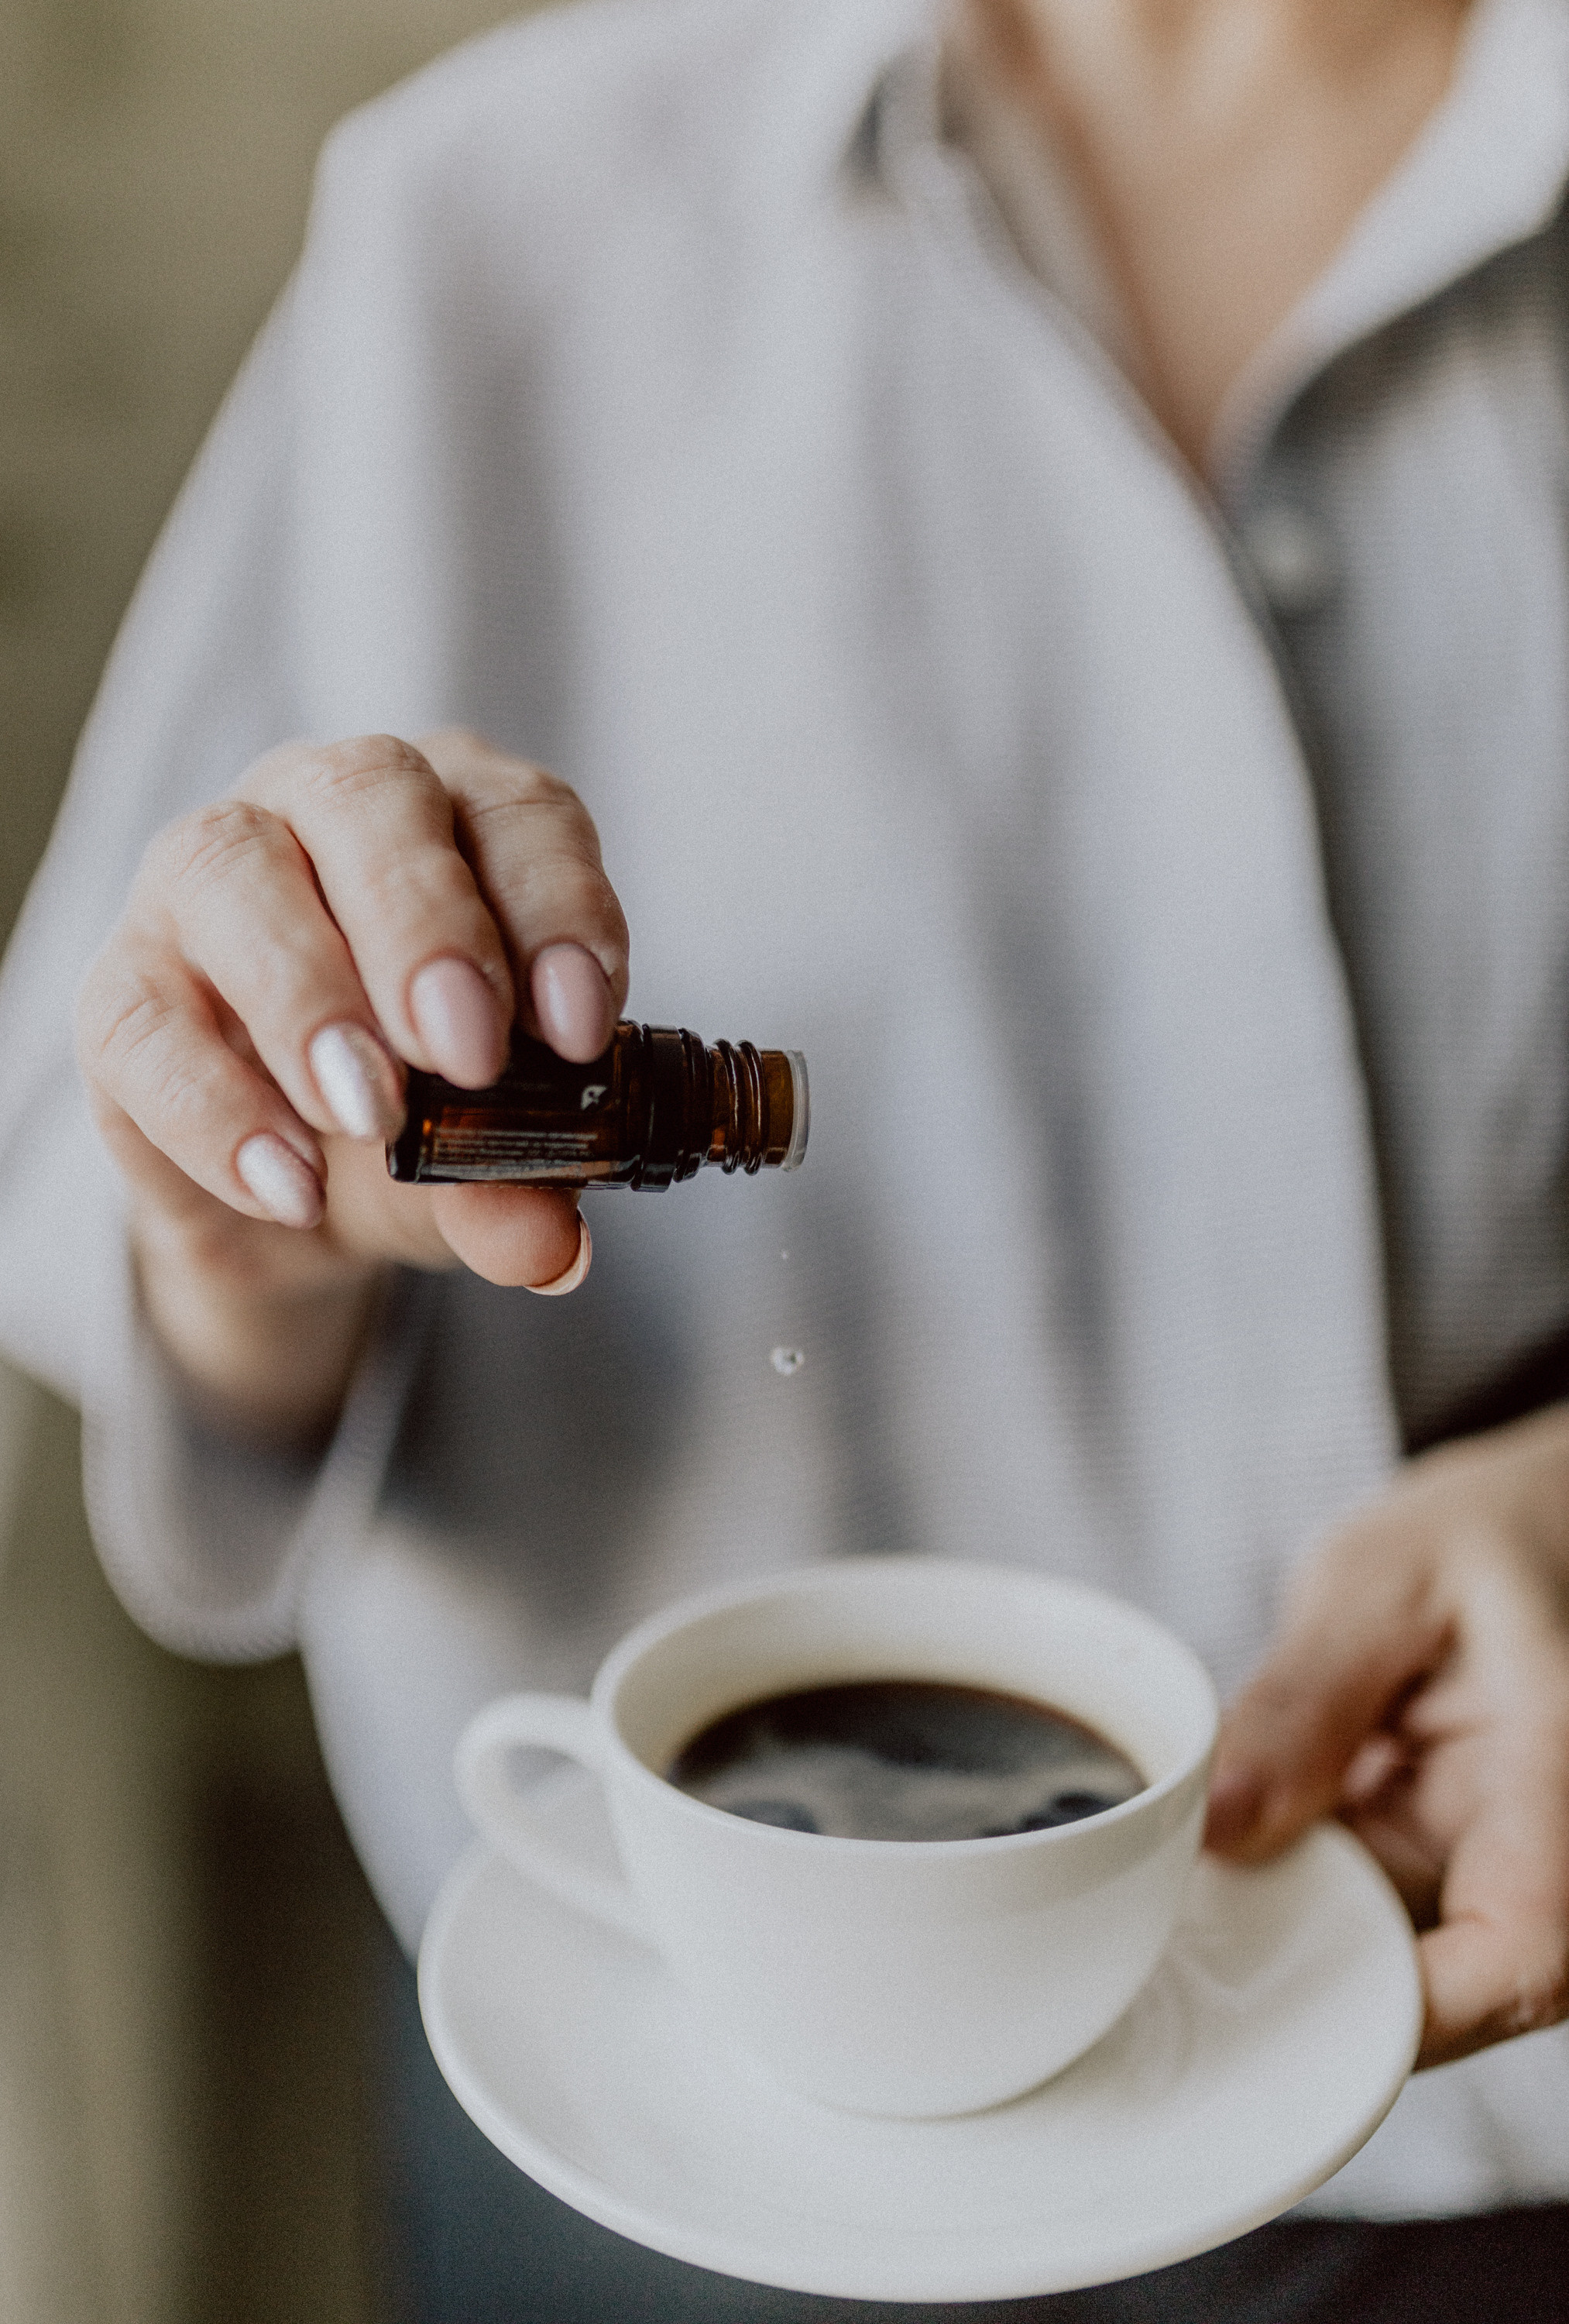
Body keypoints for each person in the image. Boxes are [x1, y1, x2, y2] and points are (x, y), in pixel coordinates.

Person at [2, 0, 1567, 2312]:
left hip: (1488, 2122)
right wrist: (246, 1214)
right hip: (658, 2151)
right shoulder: (491, 219)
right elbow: (116, 1239)